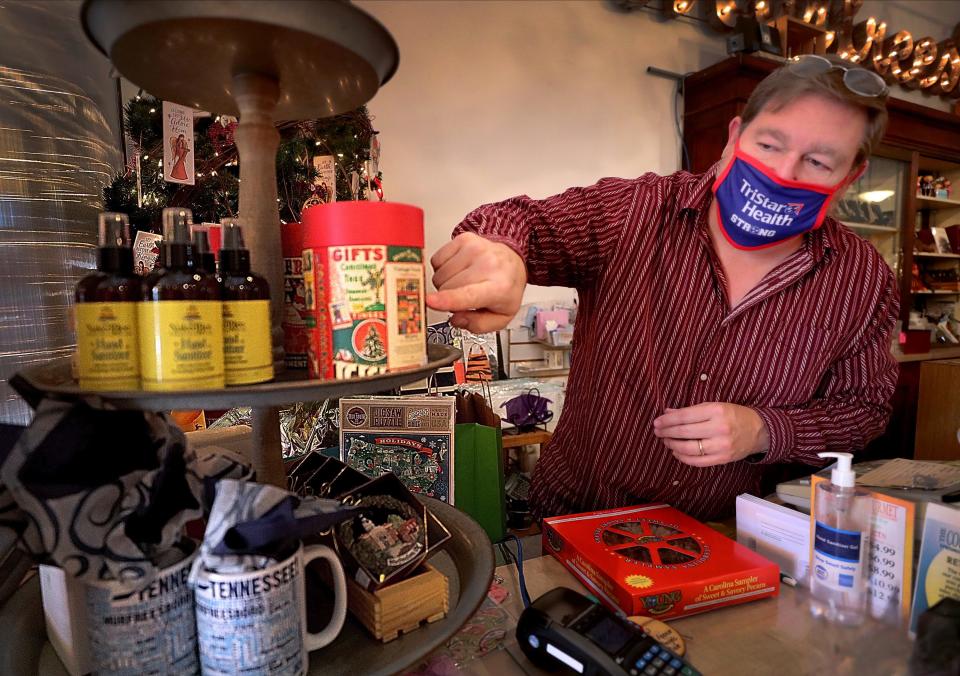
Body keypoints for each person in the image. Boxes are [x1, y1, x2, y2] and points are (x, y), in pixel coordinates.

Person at [426, 56, 899, 521]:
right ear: (735, 137)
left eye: (817, 161)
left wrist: (763, 430)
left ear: (849, 176)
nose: (785, 174)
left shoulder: (862, 279)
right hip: (576, 518)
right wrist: (502, 254)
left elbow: (863, 410)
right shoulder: (638, 209)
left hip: (726, 536)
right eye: (770, 145)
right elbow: (522, 220)